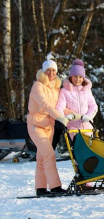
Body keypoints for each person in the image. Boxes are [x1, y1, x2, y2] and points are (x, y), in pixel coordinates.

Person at [27, 59, 69, 195]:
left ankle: (40, 189)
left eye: (54, 70)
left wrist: (75, 114)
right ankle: (55, 187)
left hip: (48, 126)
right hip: (36, 125)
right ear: (43, 72)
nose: (51, 73)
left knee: (42, 157)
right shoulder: (38, 86)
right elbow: (45, 104)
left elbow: (60, 107)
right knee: (50, 155)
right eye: (48, 70)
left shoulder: (56, 88)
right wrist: (59, 117)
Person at [56, 59, 98, 140]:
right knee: (79, 145)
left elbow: (94, 106)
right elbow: (59, 107)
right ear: (71, 77)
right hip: (73, 127)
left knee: (89, 146)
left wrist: (88, 116)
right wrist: (64, 118)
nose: (78, 79)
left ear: (83, 78)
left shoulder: (86, 90)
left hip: (87, 125)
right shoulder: (65, 91)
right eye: (75, 76)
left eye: (80, 77)